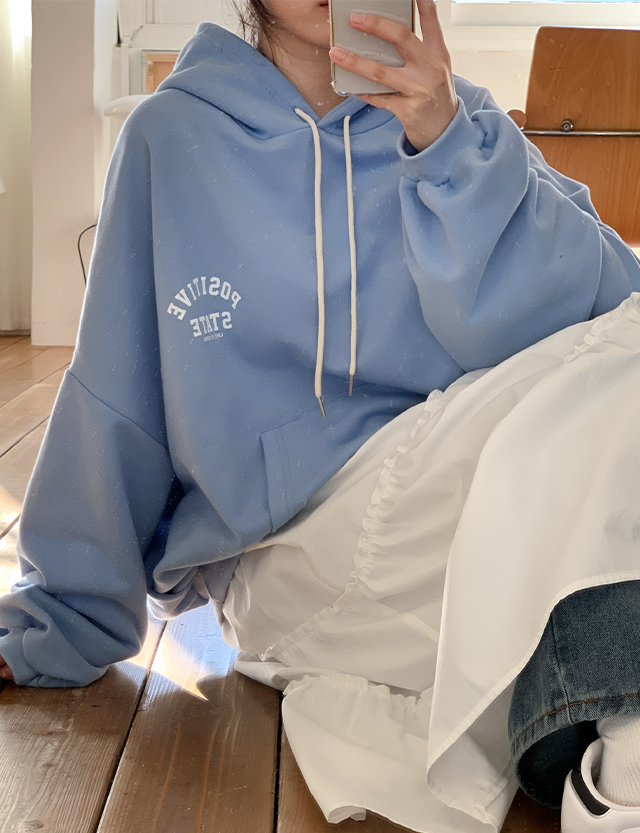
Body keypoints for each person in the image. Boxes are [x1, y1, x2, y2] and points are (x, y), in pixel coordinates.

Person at [1, 1, 640, 830]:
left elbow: (600, 315)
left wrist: (447, 146)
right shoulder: (172, 138)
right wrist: (60, 612)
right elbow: (113, 398)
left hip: (456, 528)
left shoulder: (460, 122)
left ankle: (617, 765)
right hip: (288, 565)